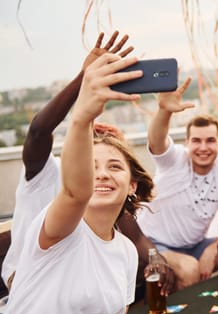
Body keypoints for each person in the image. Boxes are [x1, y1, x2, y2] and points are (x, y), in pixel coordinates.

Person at [1, 31, 176, 297]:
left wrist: (158, 261)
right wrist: (86, 79)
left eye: (114, 164)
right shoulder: (47, 173)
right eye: (95, 158)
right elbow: (38, 131)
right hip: (28, 279)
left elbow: (141, 242)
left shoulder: (108, 195)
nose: (102, 172)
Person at [0, 53, 153, 314]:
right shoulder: (62, 228)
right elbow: (75, 192)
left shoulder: (125, 252)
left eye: (115, 167)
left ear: (132, 185)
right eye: (93, 165)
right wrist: (82, 113)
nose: (103, 175)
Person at [136, 91, 218, 290]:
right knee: (190, 268)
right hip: (155, 244)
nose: (203, 147)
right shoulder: (174, 160)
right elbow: (156, 141)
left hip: (196, 246)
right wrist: (164, 111)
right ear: (187, 142)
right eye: (196, 141)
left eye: (210, 140)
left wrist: (212, 250)